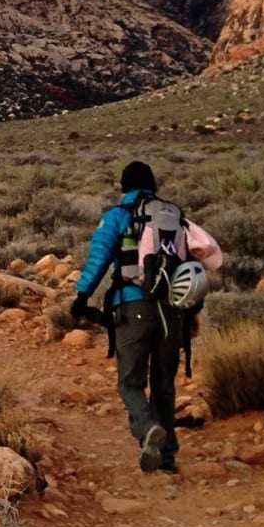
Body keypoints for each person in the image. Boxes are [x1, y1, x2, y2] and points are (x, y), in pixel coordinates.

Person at [71, 161, 221, 474]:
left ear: (124, 187)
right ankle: (166, 459)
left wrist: (82, 296)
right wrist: (193, 312)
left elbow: (99, 258)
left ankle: (147, 428)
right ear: (152, 185)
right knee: (164, 385)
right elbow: (188, 271)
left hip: (133, 308)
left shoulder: (118, 216)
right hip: (173, 311)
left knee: (130, 383)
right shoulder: (174, 219)